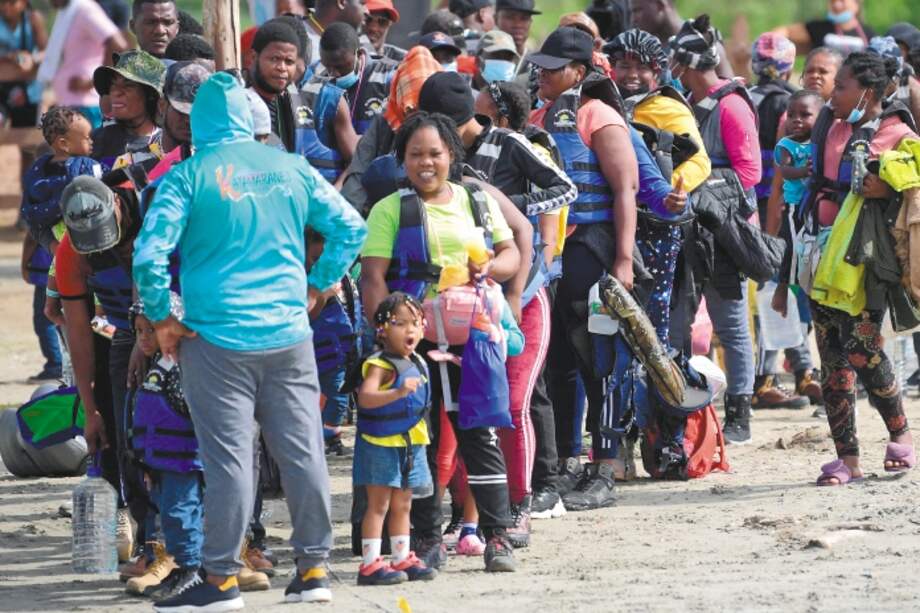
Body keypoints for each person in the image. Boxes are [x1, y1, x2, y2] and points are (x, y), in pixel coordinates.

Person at [133, 72, 366, 611]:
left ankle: (220, 581)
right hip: (288, 334)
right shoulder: (291, 168)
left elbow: (149, 258)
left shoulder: (188, 176)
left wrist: (162, 316)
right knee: (303, 450)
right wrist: (317, 285)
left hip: (216, 339)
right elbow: (351, 228)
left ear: (196, 121)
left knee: (230, 460)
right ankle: (313, 570)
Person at [360, 111, 521, 573]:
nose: (425, 163)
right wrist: (387, 339)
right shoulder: (390, 209)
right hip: (416, 344)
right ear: (402, 159)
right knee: (421, 438)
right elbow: (373, 276)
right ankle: (428, 539)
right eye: (415, 155)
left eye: (435, 153)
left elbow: (510, 253)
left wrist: (491, 267)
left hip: (474, 341)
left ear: (452, 154)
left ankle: (497, 535)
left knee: (479, 434)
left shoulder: (477, 201)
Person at [420, 71, 575, 543]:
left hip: (519, 295)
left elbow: (563, 189)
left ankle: (520, 504)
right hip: (461, 305)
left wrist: (512, 204)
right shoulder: (437, 164)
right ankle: (469, 514)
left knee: (511, 403)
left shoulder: (506, 144)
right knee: (465, 410)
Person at [528, 26, 638, 507]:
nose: (542, 74)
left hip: (593, 246)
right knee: (558, 361)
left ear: (578, 71)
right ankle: (569, 460)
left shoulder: (599, 115)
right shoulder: (536, 116)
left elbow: (625, 190)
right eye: (540, 66)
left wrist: (624, 259)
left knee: (600, 357)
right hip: (550, 255)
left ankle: (606, 464)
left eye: (553, 68)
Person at [803, 52, 915, 485]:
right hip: (820, 251)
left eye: (842, 86)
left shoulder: (898, 132)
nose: (833, 96)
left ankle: (900, 433)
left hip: (867, 261)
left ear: (867, 91)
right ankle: (847, 460)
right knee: (831, 358)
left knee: (861, 348)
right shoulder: (830, 124)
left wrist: (887, 187)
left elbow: (915, 190)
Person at [605, 27, 710, 477]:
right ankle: (621, 444)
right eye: (623, 65)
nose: (630, 75)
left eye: (640, 67)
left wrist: (673, 192)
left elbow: (700, 160)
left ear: (657, 70)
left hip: (660, 234)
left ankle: (668, 442)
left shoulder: (666, 107)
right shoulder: (600, 104)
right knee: (615, 340)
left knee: (658, 336)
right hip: (615, 230)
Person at [666, 15, 761, 446]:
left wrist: (699, 182)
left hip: (725, 229)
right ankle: (688, 403)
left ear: (686, 65)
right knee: (681, 321)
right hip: (689, 225)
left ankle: (740, 409)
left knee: (731, 324)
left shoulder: (731, 105)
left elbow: (750, 171)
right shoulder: (685, 101)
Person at [56, 177, 147, 564]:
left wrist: (152, 340)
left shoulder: (152, 210)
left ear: (117, 208)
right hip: (122, 334)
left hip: (179, 326)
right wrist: (90, 409)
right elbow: (78, 335)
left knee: (175, 435)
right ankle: (144, 534)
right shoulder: (69, 252)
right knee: (122, 435)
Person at [743, 32, 815, 411]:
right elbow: (777, 176)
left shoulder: (743, 98)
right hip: (775, 210)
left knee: (779, 290)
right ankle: (768, 377)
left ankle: (801, 369)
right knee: (777, 290)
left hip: (747, 206)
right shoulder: (791, 105)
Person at [353, 292, 438, 585]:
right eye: (399, 323)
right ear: (382, 329)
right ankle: (369, 564)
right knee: (378, 506)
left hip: (410, 444)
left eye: (415, 322)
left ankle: (401, 557)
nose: (410, 329)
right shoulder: (380, 364)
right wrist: (399, 392)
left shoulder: (417, 360)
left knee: (404, 504)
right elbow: (365, 397)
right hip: (381, 445)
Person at [124, 299, 204, 601]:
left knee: (180, 514)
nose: (144, 337)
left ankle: (189, 569)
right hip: (161, 463)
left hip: (182, 463)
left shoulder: (181, 368)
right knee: (173, 515)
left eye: (151, 330)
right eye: (139, 331)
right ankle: (186, 567)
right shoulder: (160, 366)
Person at [340, 45, 442, 213]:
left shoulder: (444, 128)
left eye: (423, 109)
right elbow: (358, 175)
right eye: (410, 110)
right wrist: (348, 220)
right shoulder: (385, 122)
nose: (417, 118)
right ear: (399, 98)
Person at [37, 0, 129, 129]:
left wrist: (93, 83)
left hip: (87, 107)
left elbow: (118, 45)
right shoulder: (68, 12)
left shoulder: (84, 10)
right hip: (71, 106)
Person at [90, 49, 166, 169]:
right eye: (113, 84)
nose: (116, 92)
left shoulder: (167, 145)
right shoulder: (96, 140)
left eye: (128, 85)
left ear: (150, 95)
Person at [628, 0, 733, 79]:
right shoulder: (645, 49)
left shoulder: (701, 41)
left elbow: (728, 92)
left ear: (660, 5)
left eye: (637, 10)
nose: (633, 19)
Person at [0, 0, 46, 128]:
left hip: (28, 90)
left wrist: (32, 59)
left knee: (27, 140)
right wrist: (10, 57)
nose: (6, 6)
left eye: (12, 2)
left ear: (24, 3)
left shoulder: (33, 19)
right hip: (2, 87)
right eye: (3, 2)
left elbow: (46, 52)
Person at [772, 0, 874, 56]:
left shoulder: (868, 34)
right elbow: (785, 31)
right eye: (833, 1)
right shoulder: (819, 28)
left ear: (856, 4)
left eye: (842, 1)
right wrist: (770, 43)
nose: (836, 4)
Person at [303, 0, 367, 71]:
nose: (367, 11)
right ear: (341, 2)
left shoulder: (356, 43)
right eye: (362, 3)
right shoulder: (299, 43)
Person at [495, 0, 537, 74]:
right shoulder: (482, 60)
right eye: (510, 17)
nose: (518, 25)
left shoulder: (538, 66)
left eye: (524, 18)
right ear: (496, 19)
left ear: (531, 22)